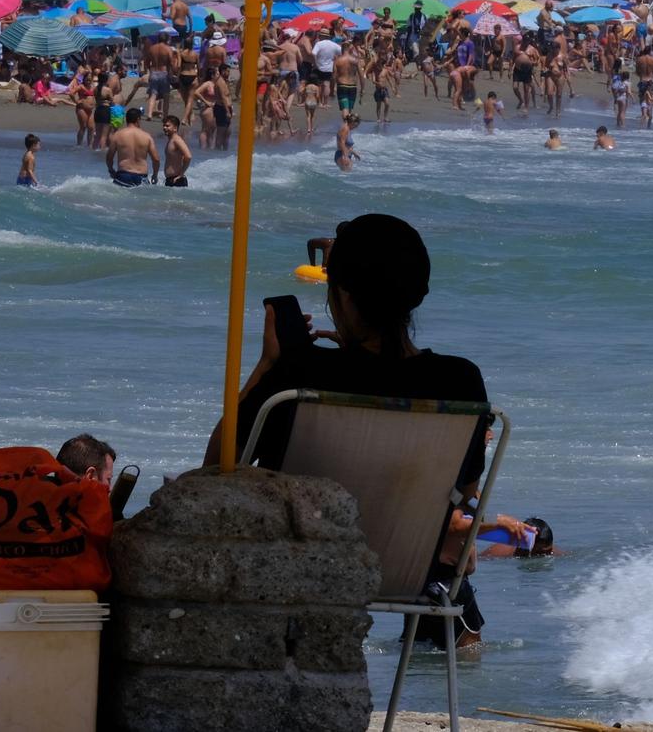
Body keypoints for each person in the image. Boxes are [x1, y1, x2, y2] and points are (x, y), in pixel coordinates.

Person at [210, 215, 492, 650]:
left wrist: (268, 365)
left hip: (294, 570)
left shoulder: (300, 372)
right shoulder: (461, 381)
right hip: (405, 575)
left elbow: (217, 469)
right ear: (416, 295)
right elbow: (467, 488)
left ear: (341, 293)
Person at [109, 107, 159, 187]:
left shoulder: (118, 135)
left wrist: (111, 170)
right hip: (141, 177)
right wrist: (155, 175)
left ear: (126, 119)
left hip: (123, 175)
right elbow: (156, 159)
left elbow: (109, 157)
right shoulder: (147, 137)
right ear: (138, 119)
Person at [162, 114, 192, 187]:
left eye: (167, 126)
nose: (164, 128)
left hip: (177, 180)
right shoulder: (171, 141)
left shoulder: (177, 140)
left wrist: (181, 174)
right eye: (164, 126)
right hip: (171, 179)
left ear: (175, 128)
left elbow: (188, 156)